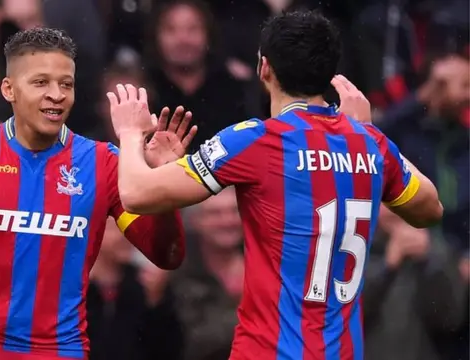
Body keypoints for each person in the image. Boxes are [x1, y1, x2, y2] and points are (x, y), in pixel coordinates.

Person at [107, 11, 443, 360]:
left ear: (263, 68)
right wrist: (367, 131)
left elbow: (136, 194)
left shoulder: (256, 141)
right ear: (329, 73)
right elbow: (430, 209)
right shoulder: (370, 144)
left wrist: (131, 133)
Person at [0, 27, 192, 360]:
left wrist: (163, 186)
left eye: (66, 84)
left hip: (61, 348)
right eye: (41, 82)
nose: (56, 94)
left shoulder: (101, 163)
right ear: (9, 89)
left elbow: (166, 256)